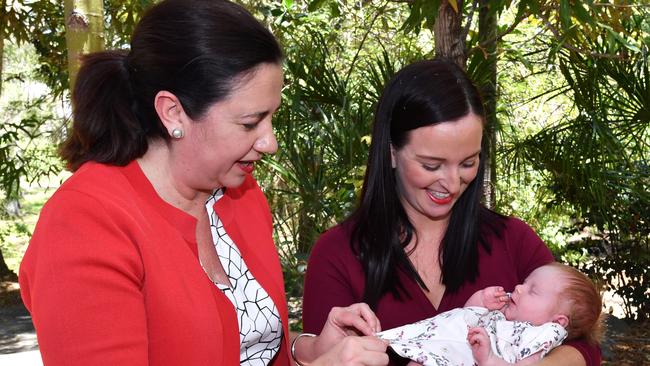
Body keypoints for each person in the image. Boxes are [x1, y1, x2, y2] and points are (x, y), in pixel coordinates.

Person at [18, 0, 388, 365]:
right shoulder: (86, 223)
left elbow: (239, 342)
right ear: (173, 112)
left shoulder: (240, 196)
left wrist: (308, 350)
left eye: (271, 118)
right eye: (249, 123)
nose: (269, 143)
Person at [301, 59, 601, 366]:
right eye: (432, 165)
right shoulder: (337, 254)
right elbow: (320, 354)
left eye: (468, 163)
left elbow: (584, 343)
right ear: (391, 151)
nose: (452, 182)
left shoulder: (512, 241)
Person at [377, 262, 602, 365]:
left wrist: (489, 359)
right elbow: (464, 318)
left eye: (532, 291)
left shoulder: (538, 340)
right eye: (524, 282)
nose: (520, 288)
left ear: (557, 323)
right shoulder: (504, 314)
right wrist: (480, 300)